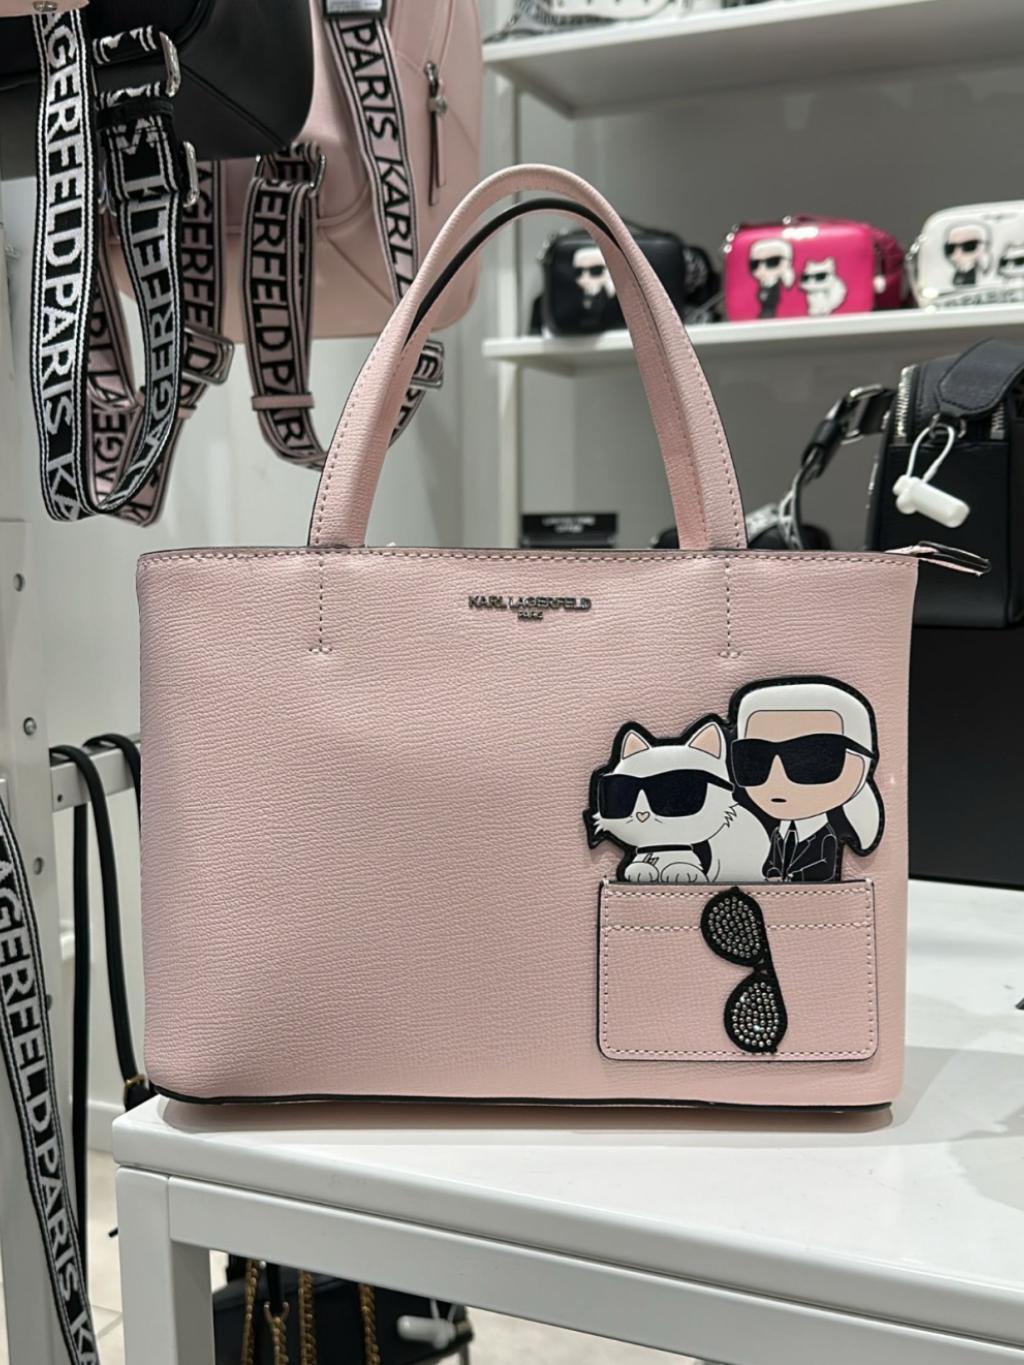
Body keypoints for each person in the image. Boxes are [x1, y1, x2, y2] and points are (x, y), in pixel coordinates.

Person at [730, 678, 883, 883]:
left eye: (811, 759)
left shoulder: (825, 836)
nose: (777, 777)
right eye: (755, 759)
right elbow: (771, 863)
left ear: (861, 763)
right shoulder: (777, 833)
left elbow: (823, 868)